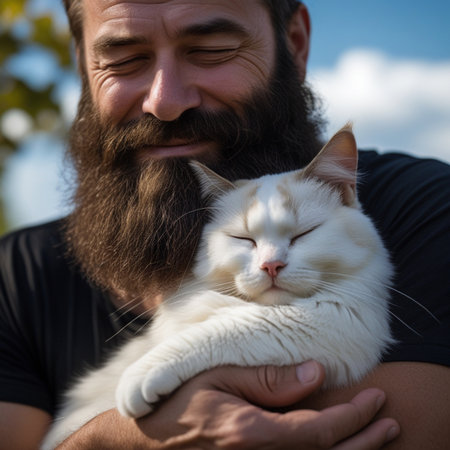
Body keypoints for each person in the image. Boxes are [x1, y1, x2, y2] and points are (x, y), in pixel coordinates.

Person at [0, 0, 449, 448]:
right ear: (83, 66)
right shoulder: (15, 275)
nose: (166, 102)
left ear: (294, 45)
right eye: (124, 60)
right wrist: (111, 439)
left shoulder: (429, 209)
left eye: (211, 50)